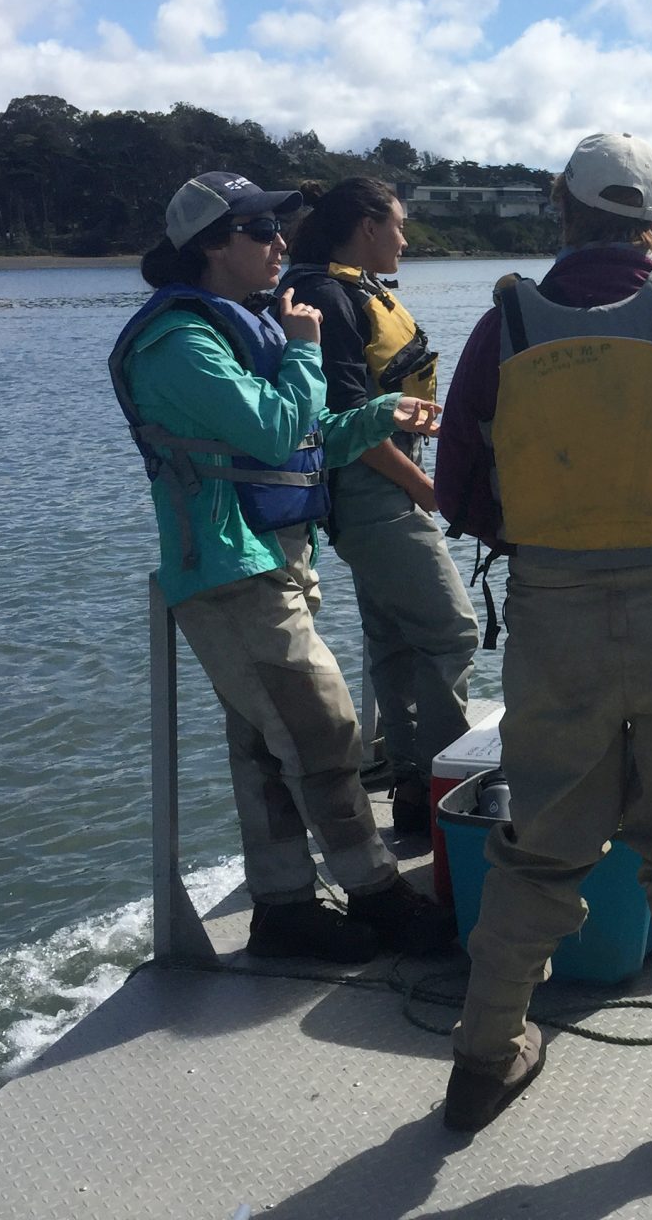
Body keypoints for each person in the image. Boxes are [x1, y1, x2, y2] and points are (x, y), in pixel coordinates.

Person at [433, 133, 652, 1159]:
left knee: (540, 841)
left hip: (554, 620)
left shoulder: (499, 330)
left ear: (560, 207)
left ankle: (482, 1058)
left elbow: (464, 494)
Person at [111, 171, 456, 965]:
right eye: (261, 231)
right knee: (324, 727)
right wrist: (304, 351)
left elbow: (306, 439)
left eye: (278, 230)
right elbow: (270, 430)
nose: (280, 244)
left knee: (267, 745)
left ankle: (283, 906)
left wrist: (379, 413)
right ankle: (378, 894)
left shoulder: (238, 324)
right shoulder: (178, 343)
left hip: (269, 558)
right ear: (211, 246)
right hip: (230, 567)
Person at [277, 177, 479, 837]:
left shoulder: (337, 287)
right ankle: (450, 787)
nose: (406, 236)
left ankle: (417, 790)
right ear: (366, 226)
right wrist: (428, 491)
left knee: (394, 639)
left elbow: (372, 397)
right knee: (451, 633)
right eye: (397, 224)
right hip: (370, 488)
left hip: (377, 479)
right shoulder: (329, 296)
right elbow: (345, 424)